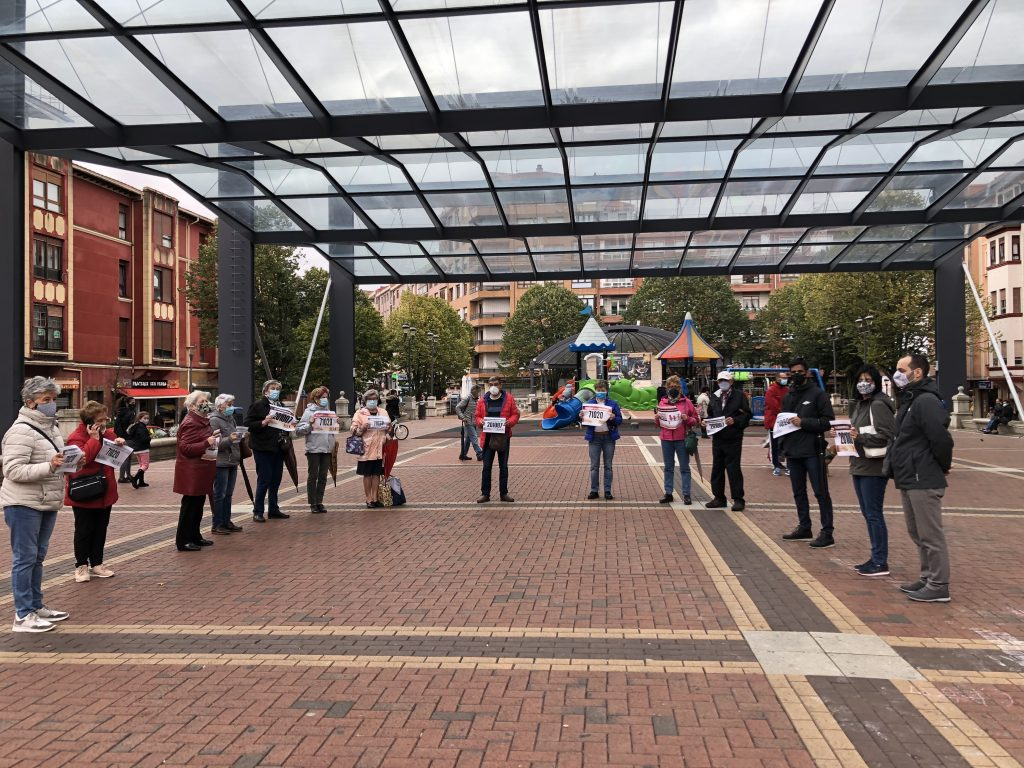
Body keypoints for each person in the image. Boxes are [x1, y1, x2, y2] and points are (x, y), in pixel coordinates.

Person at [2, 377, 71, 632]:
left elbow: (54, 461)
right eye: (46, 400)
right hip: (23, 504)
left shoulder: (51, 428)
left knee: (37, 557)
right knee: (25, 558)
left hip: (45, 501)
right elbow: (12, 470)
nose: (52, 404)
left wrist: (70, 462)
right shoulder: (21, 430)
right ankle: (23, 614)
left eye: (53, 399)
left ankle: (35, 605)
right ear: (31, 402)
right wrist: (49, 466)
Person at [889, 354, 954, 603]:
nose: (897, 374)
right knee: (917, 532)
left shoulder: (925, 400)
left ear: (917, 373)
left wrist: (941, 466)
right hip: (910, 475)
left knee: (930, 534)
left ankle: (938, 584)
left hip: (922, 476)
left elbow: (941, 439)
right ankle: (928, 577)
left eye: (901, 369)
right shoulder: (911, 399)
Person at [844, 365, 896, 577]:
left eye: (868, 380)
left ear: (876, 382)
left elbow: (889, 435)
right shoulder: (860, 404)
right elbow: (856, 432)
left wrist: (860, 437)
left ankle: (880, 561)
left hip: (873, 466)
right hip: (859, 464)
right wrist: (843, 435)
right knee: (868, 514)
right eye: (860, 379)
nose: (863, 383)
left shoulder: (878, 405)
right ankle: (876, 557)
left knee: (874, 514)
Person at [779, 358, 836, 548]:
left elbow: (827, 421)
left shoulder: (818, 394)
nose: (796, 375)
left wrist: (804, 422)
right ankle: (804, 527)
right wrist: (782, 448)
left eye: (800, 371)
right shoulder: (788, 396)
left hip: (812, 450)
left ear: (807, 373)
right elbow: (783, 422)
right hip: (793, 451)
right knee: (798, 492)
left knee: (821, 492)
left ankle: (827, 532)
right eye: (793, 372)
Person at [66, 401, 125, 583]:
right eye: (100, 420)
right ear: (90, 422)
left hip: (104, 490)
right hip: (85, 490)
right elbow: (82, 459)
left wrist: (119, 444)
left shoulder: (107, 434)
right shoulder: (76, 437)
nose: (104, 422)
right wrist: (93, 439)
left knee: (100, 529)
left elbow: (114, 457)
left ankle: (97, 563)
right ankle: (81, 565)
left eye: (105, 419)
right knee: (84, 530)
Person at [173, 390, 218, 551]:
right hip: (192, 470)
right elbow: (185, 448)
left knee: (198, 505)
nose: (206, 403)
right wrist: (206, 442)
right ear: (192, 406)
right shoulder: (191, 422)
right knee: (190, 506)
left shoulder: (202, 420)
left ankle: (195, 536)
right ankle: (184, 540)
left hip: (201, 468)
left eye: (206, 401)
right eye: (202, 401)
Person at [244, 379, 291, 523]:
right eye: (273, 388)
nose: (276, 391)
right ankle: (258, 511)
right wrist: (263, 422)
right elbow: (248, 423)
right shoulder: (258, 405)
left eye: (278, 388)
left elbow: (286, 424)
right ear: (266, 391)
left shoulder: (281, 406)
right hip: (263, 447)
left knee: (276, 480)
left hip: (278, 447)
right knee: (264, 479)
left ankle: (273, 509)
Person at [704, 372, 750, 511]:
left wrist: (735, 420)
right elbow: (711, 414)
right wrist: (706, 422)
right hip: (718, 438)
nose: (722, 382)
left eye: (725, 380)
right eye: (720, 380)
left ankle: (738, 499)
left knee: (733, 469)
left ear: (731, 381)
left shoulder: (739, 396)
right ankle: (719, 498)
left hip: (733, 438)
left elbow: (747, 415)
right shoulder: (715, 396)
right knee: (717, 468)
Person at [475, 376, 521, 504]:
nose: (493, 387)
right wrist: (480, 421)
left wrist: (509, 422)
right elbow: (477, 416)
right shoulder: (482, 400)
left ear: (500, 385)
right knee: (486, 467)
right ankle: (485, 494)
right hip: (487, 437)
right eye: (491, 384)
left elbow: (515, 414)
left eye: (495, 384)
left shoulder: (509, 398)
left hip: (503, 437)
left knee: (503, 466)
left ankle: (503, 493)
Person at [656, 375, 699, 505]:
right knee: (668, 467)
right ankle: (668, 493)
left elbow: (696, 420)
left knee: (684, 468)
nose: (673, 388)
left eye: (675, 386)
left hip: (682, 439)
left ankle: (686, 494)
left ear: (680, 388)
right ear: (667, 388)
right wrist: (657, 418)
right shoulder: (662, 402)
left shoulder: (687, 402)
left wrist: (687, 419)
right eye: (670, 386)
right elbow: (659, 424)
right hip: (666, 439)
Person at [295, 386, 336, 514]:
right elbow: (299, 431)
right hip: (314, 448)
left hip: (327, 448)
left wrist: (336, 424)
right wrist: (310, 424)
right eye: (322, 397)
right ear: (315, 399)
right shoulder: (309, 412)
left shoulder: (329, 412)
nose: (325, 400)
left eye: (326, 397)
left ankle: (319, 501)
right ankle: (312, 503)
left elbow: (332, 430)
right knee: (313, 476)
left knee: (323, 476)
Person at [350, 389, 393, 508]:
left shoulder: (383, 412)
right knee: (367, 474)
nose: (372, 401)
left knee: (376, 474)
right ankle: (368, 498)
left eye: (374, 399)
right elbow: (353, 429)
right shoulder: (360, 413)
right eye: (370, 399)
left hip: (380, 447)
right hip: (366, 448)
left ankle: (375, 497)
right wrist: (362, 428)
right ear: (365, 400)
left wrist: (389, 428)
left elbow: (388, 428)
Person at [581, 380, 623, 500]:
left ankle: (607, 491)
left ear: (607, 391)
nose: (600, 392)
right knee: (594, 466)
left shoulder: (612, 404)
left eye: (603, 390)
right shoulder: (589, 404)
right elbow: (584, 422)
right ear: (595, 391)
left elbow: (619, 420)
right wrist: (581, 416)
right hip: (594, 438)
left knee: (608, 465)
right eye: (598, 390)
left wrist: (614, 417)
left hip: (609, 438)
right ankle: (594, 490)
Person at [209, 394, 244, 535]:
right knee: (220, 494)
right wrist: (230, 439)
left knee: (228, 494)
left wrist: (240, 436)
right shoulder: (214, 420)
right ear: (220, 406)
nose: (231, 407)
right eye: (229, 404)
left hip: (232, 460)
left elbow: (233, 439)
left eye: (232, 404)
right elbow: (216, 444)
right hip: (221, 462)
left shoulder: (231, 419)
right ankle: (217, 524)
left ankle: (226, 521)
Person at [763, 372, 789, 477]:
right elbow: (774, 406)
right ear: (777, 378)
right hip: (774, 421)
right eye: (783, 378)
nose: (785, 379)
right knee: (774, 444)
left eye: (786, 377)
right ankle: (775, 465)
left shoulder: (786, 390)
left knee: (784, 444)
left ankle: (780, 463)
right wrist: (785, 413)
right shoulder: (771, 390)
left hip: (784, 421)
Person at [125, 410, 152, 488]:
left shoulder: (135, 426)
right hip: (143, 448)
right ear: (140, 418)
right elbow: (143, 439)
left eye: (147, 418)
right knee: (145, 466)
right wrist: (149, 437)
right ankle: (135, 478)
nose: (146, 420)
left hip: (137, 449)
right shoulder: (142, 427)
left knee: (141, 465)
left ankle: (141, 482)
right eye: (145, 418)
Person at [456, 385, 483, 462]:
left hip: (474, 421)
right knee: (474, 437)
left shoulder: (477, 399)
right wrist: (462, 417)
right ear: (475, 391)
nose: (479, 393)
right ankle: (479, 453)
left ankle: (463, 454)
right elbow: (457, 407)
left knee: (468, 439)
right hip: (468, 421)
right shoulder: (467, 398)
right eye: (479, 392)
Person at [113, 395, 136, 484]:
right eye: (132, 403)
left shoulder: (119, 412)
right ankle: (124, 477)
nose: (134, 404)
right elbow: (131, 426)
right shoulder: (130, 413)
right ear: (127, 403)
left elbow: (116, 427)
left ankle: (125, 476)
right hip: (128, 438)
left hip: (120, 437)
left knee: (124, 457)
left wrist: (119, 436)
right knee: (127, 458)